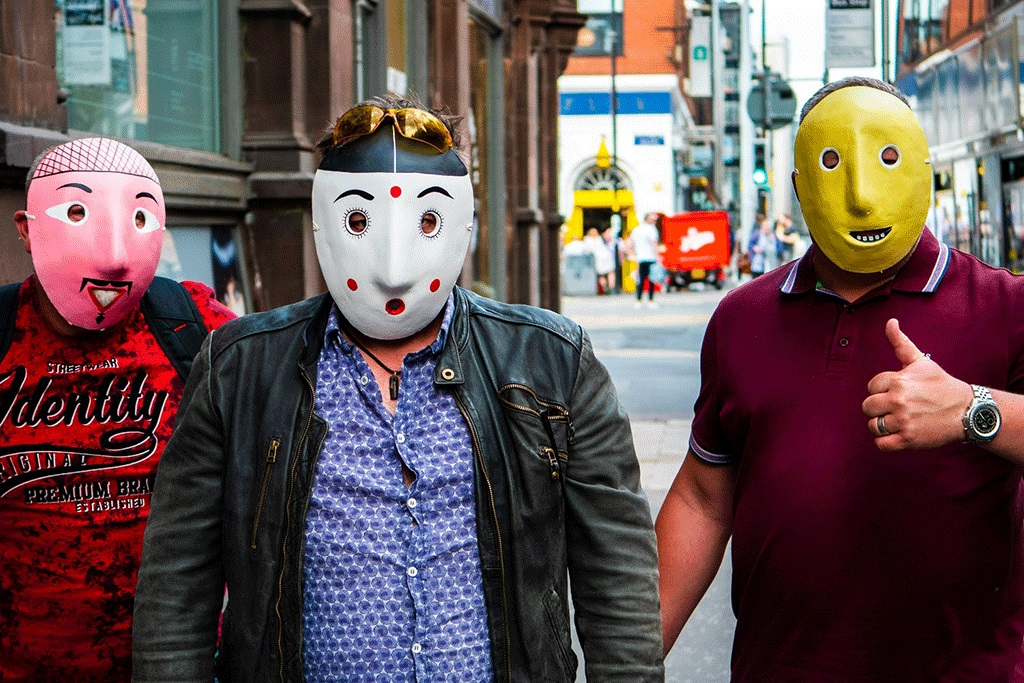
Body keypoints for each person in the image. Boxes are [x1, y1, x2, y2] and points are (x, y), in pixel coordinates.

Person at [132, 97, 663, 682]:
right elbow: (178, 584)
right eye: (357, 222)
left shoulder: (552, 362)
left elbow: (617, 577)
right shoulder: (241, 369)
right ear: (323, 223)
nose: (391, 266)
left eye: (427, 221)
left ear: (462, 224)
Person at [657, 76, 1024, 681]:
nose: (859, 194)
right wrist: (627, 661)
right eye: (831, 163)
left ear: (922, 171)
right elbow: (702, 498)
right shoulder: (741, 319)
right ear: (800, 186)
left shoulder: (1003, 306)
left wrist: (973, 411)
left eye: (886, 159)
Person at [0, 137, 235, 681]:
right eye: (76, 212)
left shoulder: (192, 322)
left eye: (139, 218)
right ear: (26, 227)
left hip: (175, 661)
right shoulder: (3, 331)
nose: (113, 253)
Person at [630, 212, 662, 306]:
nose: (655, 222)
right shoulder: (652, 229)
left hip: (640, 258)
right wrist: (658, 257)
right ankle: (650, 300)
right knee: (651, 279)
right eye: (653, 220)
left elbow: (631, 243)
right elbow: (654, 244)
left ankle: (638, 300)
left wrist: (634, 254)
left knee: (640, 279)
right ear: (648, 219)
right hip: (650, 257)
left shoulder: (636, 229)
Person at [746, 213, 779, 277]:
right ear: (762, 226)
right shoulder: (757, 234)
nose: (767, 228)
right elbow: (750, 245)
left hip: (770, 265)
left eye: (768, 226)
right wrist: (754, 248)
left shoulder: (773, 236)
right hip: (757, 264)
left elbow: (779, 249)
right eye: (765, 226)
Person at [584, 226, 615, 294]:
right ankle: (611, 288)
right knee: (610, 272)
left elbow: (588, 251)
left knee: (601, 274)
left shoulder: (587, 240)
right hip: (607, 255)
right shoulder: (599, 238)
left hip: (598, 258)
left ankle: (605, 288)